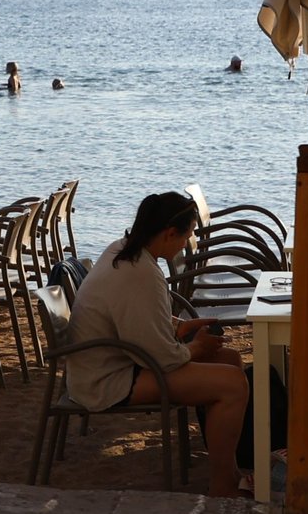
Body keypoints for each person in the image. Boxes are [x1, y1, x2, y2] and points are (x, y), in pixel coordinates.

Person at [64, 191, 249, 497]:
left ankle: (226, 464)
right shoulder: (139, 272)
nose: (186, 245)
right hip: (107, 379)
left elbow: (138, 323)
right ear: (169, 233)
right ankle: (223, 484)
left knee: (229, 360)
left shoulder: (124, 249)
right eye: (187, 236)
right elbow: (161, 357)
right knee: (233, 384)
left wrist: (181, 327)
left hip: (117, 360)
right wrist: (197, 348)